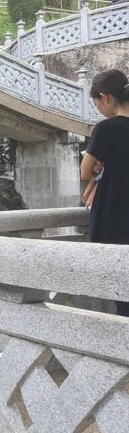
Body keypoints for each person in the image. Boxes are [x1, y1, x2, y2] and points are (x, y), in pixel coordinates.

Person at [80, 68, 129, 316]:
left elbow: (85, 172)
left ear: (106, 97)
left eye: (97, 103)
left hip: (114, 219)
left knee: (122, 295)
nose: (98, 108)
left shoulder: (106, 129)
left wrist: (100, 163)